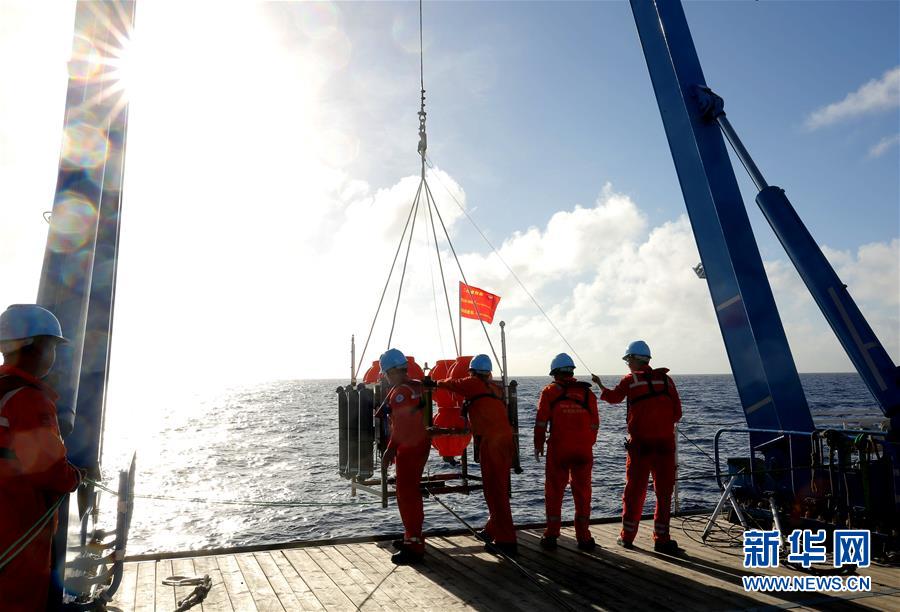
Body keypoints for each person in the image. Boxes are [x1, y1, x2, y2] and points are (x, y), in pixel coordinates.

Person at [0, 304, 84, 611]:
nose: (54, 355)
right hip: (17, 531)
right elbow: (49, 471)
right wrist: (75, 476)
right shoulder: (29, 399)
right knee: (21, 601)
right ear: (35, 347)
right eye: (52, 346)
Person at [592, 340, 682, 554]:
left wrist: (599, 385)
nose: (627, 364)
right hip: (665, 447)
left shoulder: (630, 381)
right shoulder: (667, 381)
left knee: (634, 492)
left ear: (633, 359)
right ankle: (662, 539)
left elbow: (613, 398)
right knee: (664, 493)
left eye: (627, 360)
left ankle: (627, 537)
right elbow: (677, 414)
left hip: (641, 447)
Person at [434, 354, 517, 555]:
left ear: (472, 372)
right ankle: (492, 530)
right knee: (499, 489)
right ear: (489, 373)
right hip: (505, 441)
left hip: (493, 443)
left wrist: (433, 381)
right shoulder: (495, 388)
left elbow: (451, 383)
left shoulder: (472, 384)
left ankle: (506, 541)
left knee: (496, 493)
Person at [534, 353, 599, 552]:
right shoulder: (588, 394)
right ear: (571, 371)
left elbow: (541, 423)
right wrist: (588, 443)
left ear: (554, 373)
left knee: (554, 492)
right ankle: (584, 537)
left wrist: (538, 446)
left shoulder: (550, 392)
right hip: (583, 451)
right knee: (583, 493)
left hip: (559, 450)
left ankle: (552, 535)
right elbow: (595, 423)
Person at [375, 348, 430, 565]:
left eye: (386, 374)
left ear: (392, 371)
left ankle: (414, 545)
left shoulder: (400, 393)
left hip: (409, 447)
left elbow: (401, 426)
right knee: (410, 494)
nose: (387, 378)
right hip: (420, 444)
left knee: (407, 496)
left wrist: (390, 450)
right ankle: (410, 537)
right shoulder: (415, 386)